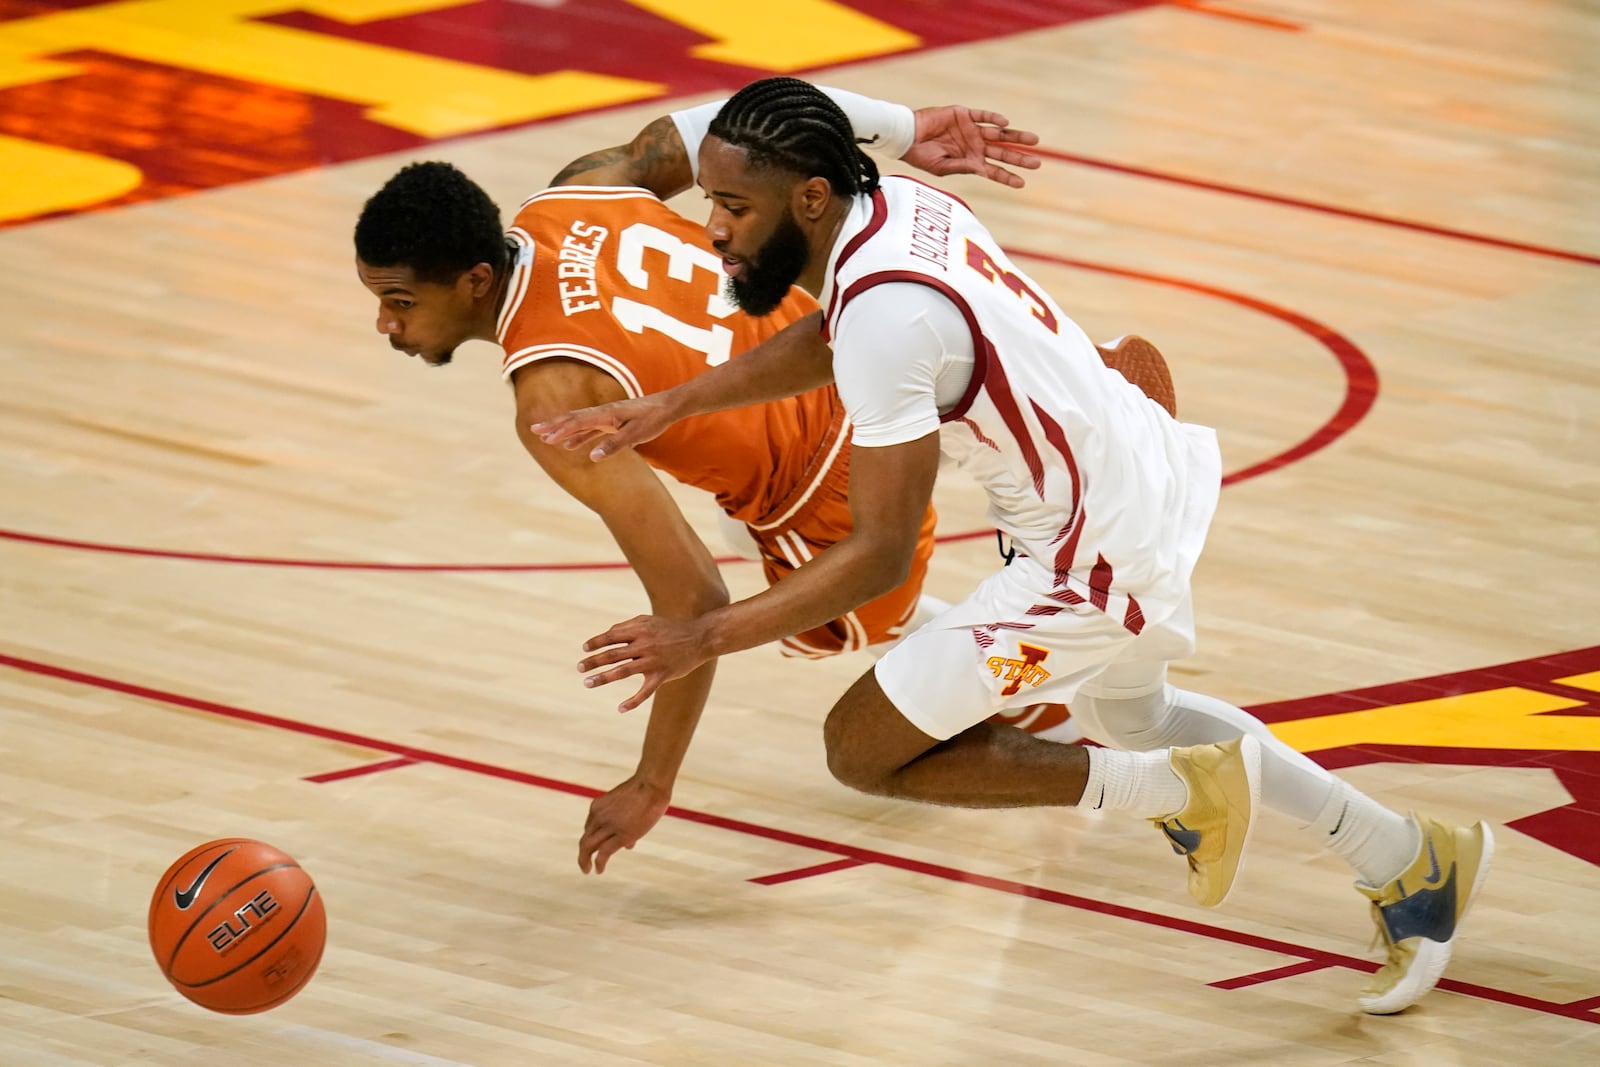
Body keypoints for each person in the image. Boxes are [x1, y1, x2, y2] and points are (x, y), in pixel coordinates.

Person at [532, 76, 1493, 1015]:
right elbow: (831, 338)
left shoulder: (887, 315)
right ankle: (1409, 856)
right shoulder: (893, 202)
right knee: (1142, 713)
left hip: (1086, 554)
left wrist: (703, 638)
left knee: (862, 745)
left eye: (735, 206)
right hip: (1126, 467)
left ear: (810, 196)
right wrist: (674, 400)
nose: (715, 228)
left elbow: (875, 553)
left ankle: (1175, 795)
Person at [353, 85, 1078, 875]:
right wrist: (903, 128)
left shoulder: (552, 399)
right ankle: (1044, 394)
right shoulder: (575, 191)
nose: (386, 324)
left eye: (399, 302)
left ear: (477, 281)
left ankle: (1039, 667)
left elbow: (694, 600)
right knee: (757, 520)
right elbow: (730, 120)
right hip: (837, 336)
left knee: (828, 629)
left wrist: (652, 780)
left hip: (822, 467)